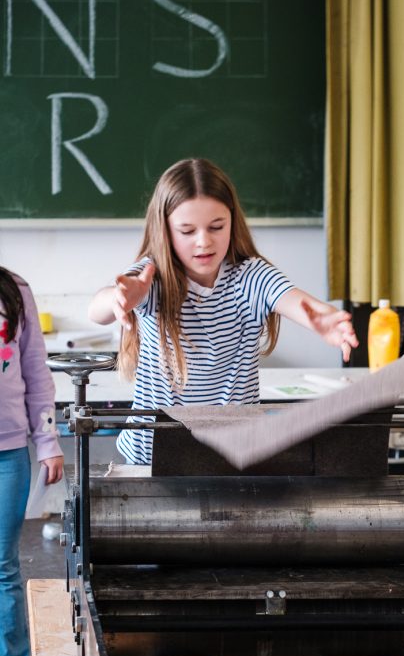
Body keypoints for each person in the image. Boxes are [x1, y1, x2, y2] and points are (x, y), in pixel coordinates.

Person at [88, 157, 358, 465]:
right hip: (153, 457)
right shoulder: (154, 278)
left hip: (232, 453)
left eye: (216, 227)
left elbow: (293, 300)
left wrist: (323, 319)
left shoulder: (250, 277)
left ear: (233, 221)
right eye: (187, 231)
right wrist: (116, 300)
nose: (204, 241)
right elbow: (97, 310)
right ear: (164, 230)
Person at [0, 268, 63, 656]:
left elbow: (37, 376)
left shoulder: (15, 290)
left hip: (7, 454)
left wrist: (48, 442)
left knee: (2, 565)